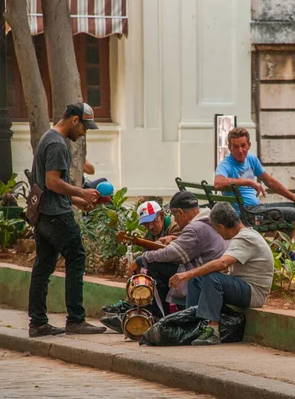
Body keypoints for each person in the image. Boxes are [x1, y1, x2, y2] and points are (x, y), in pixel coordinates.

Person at [28, 102, 107, 337]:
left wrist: (77, 201)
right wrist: (81, 192)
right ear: (75, 120)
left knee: (43, 266)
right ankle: (75, 319)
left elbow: (47, 186)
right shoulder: (57, 144)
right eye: (84, 127)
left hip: (44, 214)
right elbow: (52, 182)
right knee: (77, 257)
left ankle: (38, 323)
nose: (84, 133)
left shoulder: (48, 138)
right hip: (55, 216)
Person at [169, 202, 274, 346]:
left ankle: (213, 331)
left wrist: (187, 274)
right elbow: (224, 267)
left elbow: (222, 263)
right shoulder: (244, 235)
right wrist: (194, 275)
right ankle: (193, 324)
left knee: (213, 278)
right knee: (198, 278)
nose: (218, 234)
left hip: (253, 293)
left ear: (221, 227)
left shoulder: (245, 238)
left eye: (217, 230)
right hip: (243, 287)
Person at [214, 127, 295, 233]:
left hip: (257, 209)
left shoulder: (252, 159)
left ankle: (277, 247)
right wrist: (248, 182)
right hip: (246, 216)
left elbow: (270, 181)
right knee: (293, 214)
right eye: (235, 147)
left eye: (243, 146)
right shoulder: (226, 164)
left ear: (249, 145)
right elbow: (218, 183)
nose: (240, 150)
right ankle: (279, 248)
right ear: (229, 147)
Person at [99, 200, 182, 315]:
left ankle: (156, 314)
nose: (150, 227)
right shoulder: (149, 235)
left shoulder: (175, 228)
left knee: (152, 268)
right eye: (146, 224)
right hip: (166, 271)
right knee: (139, 271)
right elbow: (146, 258)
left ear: (162, 215)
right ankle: (132, 306)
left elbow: (173, 255)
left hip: (180, 270)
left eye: (153, 221)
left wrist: (140, 260)